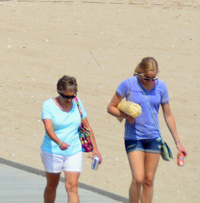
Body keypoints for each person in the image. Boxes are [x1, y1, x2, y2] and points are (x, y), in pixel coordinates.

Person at [107, 57, 185, 203]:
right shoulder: (128, 84)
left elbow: (167, 114)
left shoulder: (161, 86)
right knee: (138, 178)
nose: (149, 81)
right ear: (139, 72)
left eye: (152, 78)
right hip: (134, 137)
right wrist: (125, 115)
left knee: (148, 180)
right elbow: (111, 107)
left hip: (153, 137)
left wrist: (178, 142)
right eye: (146, 78)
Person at [41, 75, 100, 203]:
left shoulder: (77, 103)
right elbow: (48, 128)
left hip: (74, 151)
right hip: (52, 151)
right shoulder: (48, 105)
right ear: (59, 92)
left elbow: (87, 126)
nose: (69, 100)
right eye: (66, 97)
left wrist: (95, 149)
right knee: (52, 185)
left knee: (72, 187)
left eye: (72, 96)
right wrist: (59, 142)